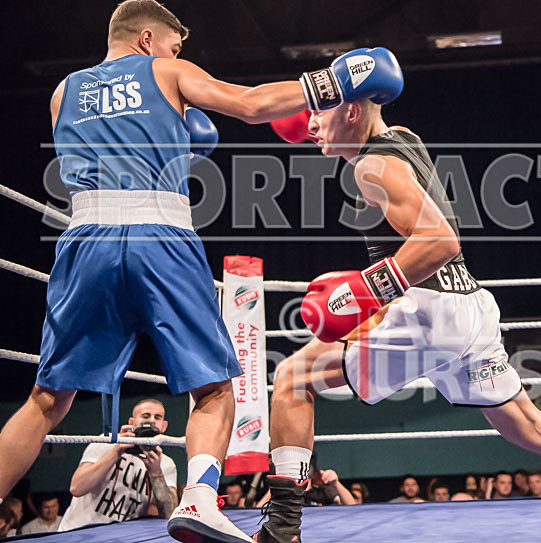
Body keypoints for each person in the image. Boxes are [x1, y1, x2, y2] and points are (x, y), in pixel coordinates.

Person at [0, 0, 403, 541]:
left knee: (47, 398)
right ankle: (197, 500)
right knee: (215, 387)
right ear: (147, 39)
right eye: (172, 44)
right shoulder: (164, 70)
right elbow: (251, 103)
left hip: (83, 242)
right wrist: (333, 82)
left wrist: (175, 143)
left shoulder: (63, 91)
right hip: (159, 238)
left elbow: (112, 152)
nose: (175, 53)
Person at [257, 101, 541, 542]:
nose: (309, 123)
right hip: (469, 306)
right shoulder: (405, 139)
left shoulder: (370, 168)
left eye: (320, 110)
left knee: (295, 376)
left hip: (426, 313)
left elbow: (440, 241)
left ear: (352, 111)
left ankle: (282, 530)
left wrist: (363, 292)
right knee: (532, 427)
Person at [58, 399, 177, 531]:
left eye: (157, 417)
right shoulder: (106, 442)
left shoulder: (165, 463)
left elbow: (169, 514)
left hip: (120, 536)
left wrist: (156, 474)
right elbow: (77, 488)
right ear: (132, 422)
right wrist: (116, 452)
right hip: (81, 532)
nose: (152, 420)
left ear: (164, 426)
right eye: (146, 416)